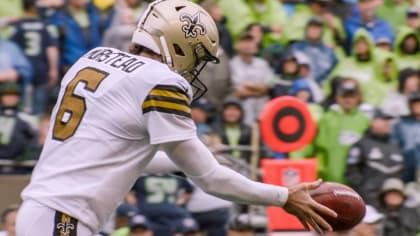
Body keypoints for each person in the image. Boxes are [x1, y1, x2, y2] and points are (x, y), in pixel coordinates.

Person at [16, 1, 336, 235]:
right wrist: (282, 196)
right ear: (179, 45)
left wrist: (179, 163)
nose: (192, 69)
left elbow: (117, 151)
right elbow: (209, 179)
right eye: (195, 57)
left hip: (44, 212)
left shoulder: (94, 58)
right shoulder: (159, 80)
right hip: (63, 220)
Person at [314, 78, 371, 183]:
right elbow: (319, 148)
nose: (348, 100)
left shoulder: (365, 121)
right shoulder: (326, 119)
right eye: (344, 96)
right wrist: (321, 172)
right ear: (337, 97)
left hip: (357, 181)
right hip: (330, 179)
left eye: (352, 96)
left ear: (358, 98)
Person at [345, 109, 404, 208]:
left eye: (388, 120)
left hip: (392, 203)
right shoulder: (361, 144)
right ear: (373, 122)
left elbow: (402, 173)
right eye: (384, 120)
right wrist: (362, 194)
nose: (387, 123)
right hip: (368, 201)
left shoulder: (395, 146)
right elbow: (352, 173)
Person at [9, 0, 59, 116]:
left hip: (23, 70)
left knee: (24, 109)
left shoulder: (18, 26)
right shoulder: (45, 25)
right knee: (39, 110)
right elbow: (52, 49)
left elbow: (12, 48)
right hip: (41, 69)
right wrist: (53, 69)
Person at [230, 33, 274, 126]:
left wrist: (250, 85)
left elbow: (267, 88)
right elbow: (240, 92)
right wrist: (259, 91)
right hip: (241, 114)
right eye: (244, 42)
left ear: (255, 46)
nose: (248, 45)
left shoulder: (262, 64)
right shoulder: (232, 64)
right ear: (238, 45)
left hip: (262, 112)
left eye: (250, 42)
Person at [288, 16, 338, 84]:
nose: (314, 30)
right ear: (306, 29)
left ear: (322, 31)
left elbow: (334, 73)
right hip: (298, 86)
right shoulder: (296, 48)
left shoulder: (329, 51)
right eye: (311, 27)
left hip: (322, 89)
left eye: (317, 27)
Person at [391, 92, 420, 182]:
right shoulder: (401, 123)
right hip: (406, 168)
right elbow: (393, 145)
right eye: (414, 103)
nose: (417, 106)